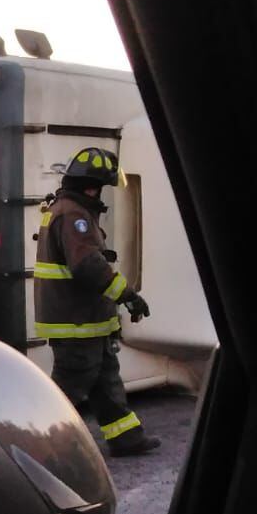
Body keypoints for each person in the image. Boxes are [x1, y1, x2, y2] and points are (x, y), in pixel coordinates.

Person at [33, 145, 161, 456]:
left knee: (106, 383)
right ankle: (38, 445)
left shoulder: (68, 210)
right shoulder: (74, 216)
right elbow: (88, 265)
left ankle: (126, 438)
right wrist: (127, 295)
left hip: (88, 322)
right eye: (100, 187)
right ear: (91, 186)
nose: (100, 195)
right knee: (70, 386)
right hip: (77, 323)